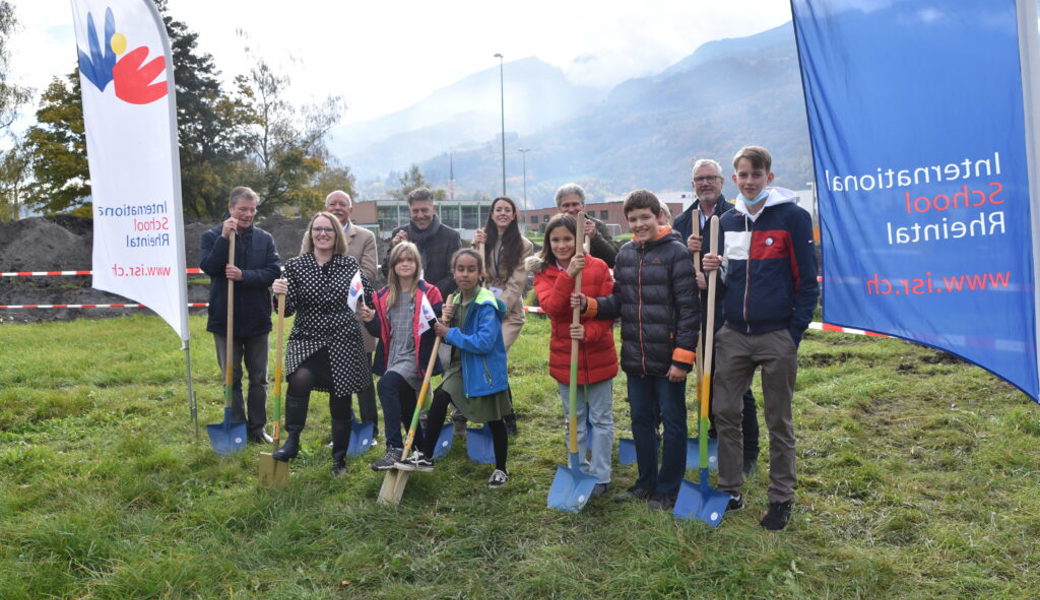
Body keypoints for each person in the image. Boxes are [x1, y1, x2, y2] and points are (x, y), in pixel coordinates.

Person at [701, 146, 819, 530]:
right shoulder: (725, 222)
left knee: (778, 420)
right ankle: (730, 488)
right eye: (743, 175)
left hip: (776, 335)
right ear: (734, 179)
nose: (750, 181)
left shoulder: (793, 219)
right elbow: (726, 280)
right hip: (733, 334)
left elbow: (807, 283)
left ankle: (781, 497)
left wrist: (792, 333)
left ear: (769, 177)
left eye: (757, 174)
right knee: (724, 413)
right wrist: (712, 268)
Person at [576, 190, 699, 510]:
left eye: (645, 217)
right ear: (626, 222)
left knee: (673, 424)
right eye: (633, 219)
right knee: (641, 421)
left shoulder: (677, 253)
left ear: (659, 216)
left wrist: (683, 357)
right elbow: (619, 302)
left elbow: (689, 309)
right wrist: (590, 305)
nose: (640, 223)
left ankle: (668, 489)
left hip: (669, 357)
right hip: (636, 356)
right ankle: (645, 482)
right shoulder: (626, 254)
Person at [395, 248, 512, 488]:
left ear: (480, 273)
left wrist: (450, 332)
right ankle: (427, 456)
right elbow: (450, 337)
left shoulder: (485, 304)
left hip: (485, 370)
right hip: (461, 367)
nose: (465, 274)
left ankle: (501, 469)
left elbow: (484, 342)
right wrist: (444, 324)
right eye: (461, 269)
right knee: (440, 396)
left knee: (494, 419)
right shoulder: (456, 300)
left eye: (471, 269)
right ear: (453, 272)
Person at [270, 212, 374, 476]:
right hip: (307, 337)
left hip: (343, 339)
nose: (322, 234)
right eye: (317, 229)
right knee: (300, 378)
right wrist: (278, 294)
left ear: (336, 234)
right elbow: (287, 310)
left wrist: (367, 310)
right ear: (311, 233)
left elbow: (367, 296)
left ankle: (339, 458)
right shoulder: (296, 265)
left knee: (341, 398)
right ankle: (292, 440)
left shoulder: (349, 264)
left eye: (328, 229)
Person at [677, 158, 761, 477]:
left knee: (735, 385)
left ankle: (749, 451)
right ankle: (715, 439)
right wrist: (688, 256)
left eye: (711, 177)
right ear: (693, 184)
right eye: (699, 179)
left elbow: (749, 267)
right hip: (695, 317)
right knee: (704, 381)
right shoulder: (683, 223)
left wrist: (719, 272)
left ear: (722, 181)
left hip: (729, 316)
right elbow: (672, 266)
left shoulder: (737, 218)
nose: (705, 183)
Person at [529, 214, 618, 497]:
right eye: (555, 240)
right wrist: (568, 276)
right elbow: (553, 308)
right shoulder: (544, 273)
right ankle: (577, 468)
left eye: (567, 238)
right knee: (575, 419)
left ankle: (601, 475)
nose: (562, 245)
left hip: (599, 354)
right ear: (548, 242)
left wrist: (588, 332)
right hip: (565, 357)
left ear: (579, 238)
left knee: (602, 419)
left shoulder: (600, 267)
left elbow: (609, 310)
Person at [199, 186, 281, 445]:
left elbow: (273, 271)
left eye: (252, 209)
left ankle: (257, 429)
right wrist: (224, 238)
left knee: (259, 378)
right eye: (242, 209)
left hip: (257, 319)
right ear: (230, 208)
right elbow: (210, 267)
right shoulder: (211, 236)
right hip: (225, 319)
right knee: (230, 377)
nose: (248, 214)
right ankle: (236, 426)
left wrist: (244, 276)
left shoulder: (265, 238)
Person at [358, 242, 443, 471]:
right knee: (406, 405)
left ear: (417, 264)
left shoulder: (429, 292)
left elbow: (436, 325)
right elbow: (381, 332)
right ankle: (422, 451)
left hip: (416, 357)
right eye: (400, 261)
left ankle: (394, 448)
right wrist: (369, 320)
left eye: (410, 260)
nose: (405, 264)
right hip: (393, 357)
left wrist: (443, 318)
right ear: (393, 266)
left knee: (386, 386)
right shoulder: (384, 295)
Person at [470, 196, 533, 434]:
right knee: (486, 362)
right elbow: (473, 269)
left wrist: (495, 307)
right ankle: (491, 416)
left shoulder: (524, 245)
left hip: (508, 314)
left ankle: (507, 416)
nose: (503, 213)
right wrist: (475, 245)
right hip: (483, 312)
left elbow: (517, 284)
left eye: (508, 209)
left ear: (514, 214)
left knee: (495, 359)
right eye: (499, 209)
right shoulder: (483, 239)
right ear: (492, 213)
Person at [326, 190, 381, 445]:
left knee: (362, 376)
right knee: (334, 375)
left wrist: (330, 283)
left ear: (351, 210)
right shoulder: (313, 234)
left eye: (342, 204)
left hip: (358, 315)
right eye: (332, 204)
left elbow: (368, 273)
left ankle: (371, 429)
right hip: (324, 319)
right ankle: (342, 426)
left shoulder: (366, 237)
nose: (337, 207)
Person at [382, 187, 461, 298]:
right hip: (405, 301)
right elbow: (387, 272)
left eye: (424, 210)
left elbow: (453, 275)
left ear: (433, 209)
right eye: (415, 211)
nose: (420, 216)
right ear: (409, 211)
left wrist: (429, 294)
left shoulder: (451, 236)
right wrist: (395, 250)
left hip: (439, 304)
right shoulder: (399, 234)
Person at [555, 183, 620, 268]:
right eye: (566, 205)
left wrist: (595, 237)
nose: (571, 209)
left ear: (583, 206)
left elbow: (614, 260)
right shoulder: (554, 229)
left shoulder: (597, 226)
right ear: (559, 209)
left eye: (575, 204)